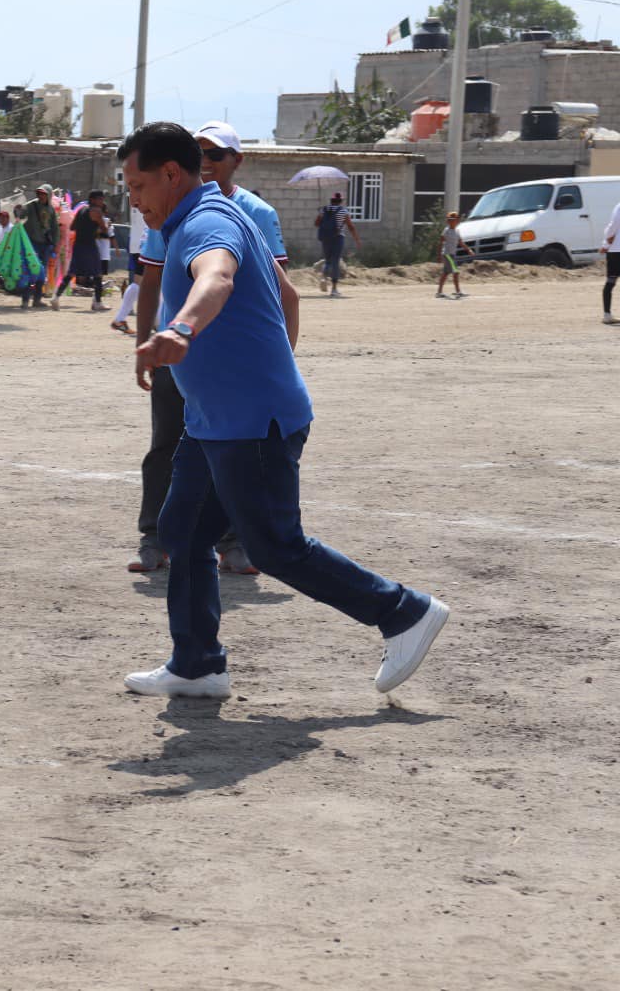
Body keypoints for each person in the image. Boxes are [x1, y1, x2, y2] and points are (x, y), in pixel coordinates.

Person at [119, 121, 446, 698]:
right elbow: (286, 294)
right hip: (217, 417)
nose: (133, 200)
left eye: (137, 185)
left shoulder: (207, 223)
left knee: (274, 545)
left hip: (250, 421)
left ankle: (403, 612)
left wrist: (181, 329)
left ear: (171, 174)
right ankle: (198, 665)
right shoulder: (221, 210)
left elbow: (216, 275)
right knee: (185, 531)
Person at [130, 120, 294, 577]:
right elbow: (152, 281)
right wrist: (150, 339)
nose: (205, 160)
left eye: (215, 154)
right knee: (168, 449)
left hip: (225, 368)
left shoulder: (243, 214)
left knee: (240, 474)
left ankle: (235, 541)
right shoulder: (166, 211)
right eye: (198, 152)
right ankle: (155, 538)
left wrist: (182, 329)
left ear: (236, 161)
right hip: (177, 357)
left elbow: (230, 279)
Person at [15, 186, 59, 308]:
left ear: (49, 195)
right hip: (31, 243)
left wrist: (55, 245)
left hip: (45, 245)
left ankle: (37, 300)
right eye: (39, 193)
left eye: (44, 194)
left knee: (41, 272)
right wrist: (18, 211)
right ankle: (25, 300)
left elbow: (55, 228)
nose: (41, 196)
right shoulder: (31, 205)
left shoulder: (51, 210)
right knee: (30, 270)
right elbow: (21, 214)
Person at [53, 199, 101, 309]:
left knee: (71, 273)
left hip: (78, 245)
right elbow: (104, 229)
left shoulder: (81, 211)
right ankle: (97, 302)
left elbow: (72, 227)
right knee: (97, 273)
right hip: (89, 246)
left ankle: (56, 296)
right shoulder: (95, 212)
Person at [314, 191, 359, 296]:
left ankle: (324, 278)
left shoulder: (323, 210)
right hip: (337, 238)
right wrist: (357, 240)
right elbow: (351, 227)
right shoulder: (343, 211)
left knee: (327, 260)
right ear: (340, 201)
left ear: (332, 200)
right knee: (335, 262)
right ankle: (334, 289)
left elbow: (316, 224)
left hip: (325, 238)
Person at [436, 211, 473, 298]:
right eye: (449, 219)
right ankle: (458, 291)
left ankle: (439, 292)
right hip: (447, 254)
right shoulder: (446, 231)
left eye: (453, 219)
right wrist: (439, 256)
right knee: (455, 272)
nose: (451, 221)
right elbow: (440, 243)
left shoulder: (457, 231)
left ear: (457, 220)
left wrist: (468, 250)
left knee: (445, 273)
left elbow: (460, 242)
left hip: (452, 254)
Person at [603, 195, 620, 325]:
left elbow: (612, 228)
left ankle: (607, 315)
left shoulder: (618, 207)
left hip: (615, 250)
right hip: (616, 249)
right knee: (610, 282)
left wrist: (605, 245)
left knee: (610, 282)